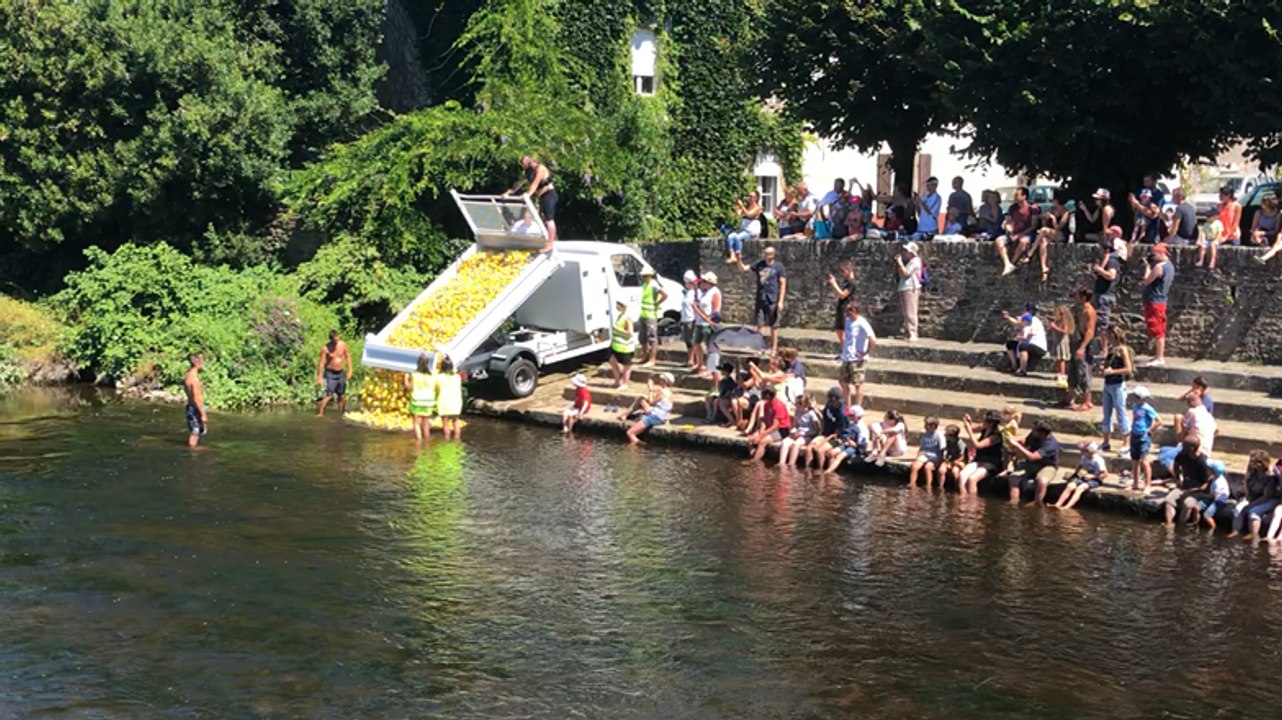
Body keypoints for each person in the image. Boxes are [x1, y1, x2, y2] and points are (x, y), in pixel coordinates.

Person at [736, 246, 787, 353]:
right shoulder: (759, 264)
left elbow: (783, 283)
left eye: (767, 254)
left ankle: (773, 348)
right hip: (761, 298)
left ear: (772, 255)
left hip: (772, 298)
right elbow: (743, 269)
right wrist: (738, 260)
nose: (765, 256)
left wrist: (781, 301)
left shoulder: (779, 267)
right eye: (764, 254)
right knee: (759, 324)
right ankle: (759, 346)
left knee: (774, 326)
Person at [505, 155, 558, 253]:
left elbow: (535, 184)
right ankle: (543, 240)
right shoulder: (528, 171)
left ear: (530, 161)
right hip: (541, 196)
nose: (524, 165)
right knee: (538, 217)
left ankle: (550, 243)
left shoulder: (540, 168)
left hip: (549, 194)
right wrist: (509, 192)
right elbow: (518, 183)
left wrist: (527, 195)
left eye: (524, 163)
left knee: (549, 219)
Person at [1228, 451, 1280, 540]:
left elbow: (1266, 497)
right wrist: (1248, 499)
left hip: (1269, 499)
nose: (1252, 464)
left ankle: (1253, 534)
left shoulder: (1271, 476)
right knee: (1238, 509)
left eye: (1255, 462)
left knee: (1254, 511)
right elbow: (1247, 485)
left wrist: (1251, 505)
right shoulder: (1252, 472)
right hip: (1254, 497)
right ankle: (1236, 530)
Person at [1006, 419, 1060, 505]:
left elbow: (1033, 457)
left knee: (1042, 481)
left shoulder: (1051, 444)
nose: (1032, 431)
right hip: (1031, 465)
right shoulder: (1034, 435)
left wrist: (1016, 445)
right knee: (1013, 477)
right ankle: (1014, 500)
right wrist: (1014, 439)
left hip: (1047, 466)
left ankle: (1036, 502)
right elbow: (1025, 440)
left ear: (1042, 433)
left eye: (1034, 430)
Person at [1098, 325, 1133, 454]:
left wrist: (1112, 371)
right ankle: (1106, 442)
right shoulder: (1112, 349)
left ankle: (1126, 443)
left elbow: (1128, 369)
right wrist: (1103, 368)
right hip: (1108, 385)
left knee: (1121, 413)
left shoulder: (1122, 350)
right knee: (1106, 414)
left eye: (1107, 335)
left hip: (1118, 385)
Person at [1163, 435, 1212, 526]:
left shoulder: (1203, 462)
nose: (1182, 447)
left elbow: (1206, 483)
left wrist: (1191, 491)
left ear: (1192, 448)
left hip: (1198, 491)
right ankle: (1169, 525)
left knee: (1187, 504)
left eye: (1184, 446)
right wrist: (1177, 478)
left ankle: (1180, 526)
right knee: (1169, 500)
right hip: (1184, 486)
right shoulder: (1183, 455)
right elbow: (1176, 464)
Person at [1140, 244, 1174, 367]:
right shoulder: (1170, 266)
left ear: (1160, 253)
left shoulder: (1159, 267)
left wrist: (1147, 267)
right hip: (1161, 300)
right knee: (1159, 326)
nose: (1152, 256)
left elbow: (1146, 280)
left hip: (1154, 301)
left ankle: (1159, 357)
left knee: (1157, 328)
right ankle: (1157, 356)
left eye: (1154, 254)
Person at [838, 301, 876, 408]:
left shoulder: (862, 323)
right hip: (846, 357)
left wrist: (866, 352)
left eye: (850, 311)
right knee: (843, 382)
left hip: (857, 359)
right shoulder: (847, 321)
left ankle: (857, 408)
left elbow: (872, 340)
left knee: (858, 384)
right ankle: (848, 406)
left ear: (856, 311)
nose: (847, 313)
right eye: (847, 311)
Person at [620, 373, 674, 445]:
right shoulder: (669, 392)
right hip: (662, 417)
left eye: (661, 380)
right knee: (641, 398)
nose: (660, 381)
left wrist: (650, 388)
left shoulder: (662, 392)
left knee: (630, 433)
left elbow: (651, 402)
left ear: (665, 381)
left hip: (654, 416)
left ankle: (637, 448)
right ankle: (624, 415)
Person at [957, 411, 1004, 495]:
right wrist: (968, 422)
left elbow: (977, 445)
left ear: (991, 423)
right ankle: (963, 499)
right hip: (979, 459)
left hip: (991, 463)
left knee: (972, 479)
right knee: (962, 475)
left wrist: (969, 431)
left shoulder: (996, 436)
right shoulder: (984, 428)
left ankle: (972, 502)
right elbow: (971, 428)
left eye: (986, 421)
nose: (983, 422)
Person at [1090, 235, 1122, 355]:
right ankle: (1102, 348)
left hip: (1105, 295)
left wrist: (1100, 270)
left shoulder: (1112, 261)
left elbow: (1111, 275)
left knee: (1103, 323)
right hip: (1101, 294)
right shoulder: (1106, 259)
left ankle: (1104, 349)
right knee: (1099, 322)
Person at [1055, 441, 1109, 510]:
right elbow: (1079, 465)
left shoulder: (1098, 460)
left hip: (1095, 479)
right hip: (1085, 477)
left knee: (1080, 488)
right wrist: (1076, 473)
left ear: (1090, 451)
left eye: (1083, 451)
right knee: (1070, 486)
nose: (1081, 453)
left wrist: (1093, 476)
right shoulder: (1084, 457)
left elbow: (1105, 474)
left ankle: (1067, 507)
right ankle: (1057, 504)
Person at [1068, 288, 1097, 411]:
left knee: (1084, 371)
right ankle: (1069, 398)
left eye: (1077, 296)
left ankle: (1087, 401)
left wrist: (1082, 347)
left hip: (1085, 344)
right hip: (1077, 342)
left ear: (1083, 298)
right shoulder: (1081, 310)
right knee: (1073, 370)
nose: (1075, 298)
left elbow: (1090, 332)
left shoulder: (1089, 311)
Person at [805, 387, 848, 469]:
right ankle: (807, 470)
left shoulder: (842, 413)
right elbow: (823, 419)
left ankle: (820, 471)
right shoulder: (829, 405)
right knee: (809, 448)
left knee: (820, 451)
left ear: (834, 398)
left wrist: (824, 441)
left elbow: (837, 434)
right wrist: (815, 408)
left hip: (838, 439)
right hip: (826, 434)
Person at [1127, 385, 1160, 491]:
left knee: (1144, 461)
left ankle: (1147, 485)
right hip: (1134, 434)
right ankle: (1135, 483)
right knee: (1135, 460)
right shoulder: (1135, 406)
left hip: (1143, 436)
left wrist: (1149, 430)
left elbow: (1158, 421)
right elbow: (1135, 419)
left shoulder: (1148, 408)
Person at [996, 187, 1036, 276]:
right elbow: (1008, 221)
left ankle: (1013, 263)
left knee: (1023, 241)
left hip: (1026, 233)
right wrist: (1008, 229)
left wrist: (1020, 234)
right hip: (1013, 233)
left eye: (1017, 195)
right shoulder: (1013, 208)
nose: (1015, 197)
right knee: (999, 240)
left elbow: (1033, 226)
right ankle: (1007, 263)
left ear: (1024, 196)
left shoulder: (1032, 208)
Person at [747, 386, 791, 461]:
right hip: (770, 428)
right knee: (750, 439)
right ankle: (753, 455)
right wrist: (760, 432)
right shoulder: (766, 404)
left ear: (768, 395)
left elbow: (776, 426)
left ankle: (755, 461)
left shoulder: (778, 405)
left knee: (763, 442)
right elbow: (764, 420)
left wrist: (762, 435)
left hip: (782, 430)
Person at [316, 330, 353, 417]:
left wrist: (350, 370)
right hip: (330, 373)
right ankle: (320, 413)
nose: (337, 341)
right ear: (331, 339)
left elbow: (348, 357)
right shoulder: (325, 348)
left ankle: (341, 413)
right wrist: (319, 377)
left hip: (340, 373)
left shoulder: (342, 344)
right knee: (329, 395)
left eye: (337, 338)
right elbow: (321, 363)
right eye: (335, 340)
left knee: (342, 395)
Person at [1001, 306, 1047, 376]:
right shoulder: (1026, 319)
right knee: (1010, 344)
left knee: (1023, 346)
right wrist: (1008, 317)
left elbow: (1030, 333)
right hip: (1029, 344)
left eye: (1023, 310)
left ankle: (1023, 369)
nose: (1021, 312)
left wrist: (1021, 337)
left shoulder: (1034, 321)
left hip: (1038, 346)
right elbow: (1017, 323)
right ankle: (1014, 366)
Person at [1184, 460, 1230, 530]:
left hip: (1219, 499)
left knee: (1207, 515)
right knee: (1196, 507)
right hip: (1213, 496)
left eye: (1209, 468)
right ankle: (1195, 524)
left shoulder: (1218, 483)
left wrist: (1204, 496)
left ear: (1213, 471)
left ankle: (1213, 528)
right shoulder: (1214, 477)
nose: (1207, 469)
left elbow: (1214, 496)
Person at [824, 405, 869, 474]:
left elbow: (863, 445)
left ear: (858, 417)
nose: (848, 417)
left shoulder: (862, 429)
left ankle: (827, 472)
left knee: (840, 456)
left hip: (855, 447)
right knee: (831, 453)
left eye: (851, 415)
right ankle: (831, 470)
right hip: (846, 444)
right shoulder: (851, 424)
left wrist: (854, 444)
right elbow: (846, 436)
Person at [779, 393, 821, 466]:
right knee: (785, 442)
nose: (796, 407)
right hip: (798, 433)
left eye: (797, 405)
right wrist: (793, 431)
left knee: (796, 444)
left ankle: (791, 463)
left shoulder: (811, 414)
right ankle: (781, 463)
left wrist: (804, 434)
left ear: (803, 405)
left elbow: (816, 430)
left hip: (807, 435)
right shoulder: (797, 412)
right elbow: (795, 426)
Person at [636, 266, 667, 367]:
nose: (643, 277)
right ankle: (645, 357)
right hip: (643, 314)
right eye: (643, 276)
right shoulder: (645, 285)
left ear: (650, 276)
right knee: (642, 338)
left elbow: (665, 294)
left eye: (645, 276)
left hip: (651, 315)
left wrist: (657, 303)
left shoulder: (654, 285)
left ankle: (652, 359)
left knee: (652, 338)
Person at [406, 354, 438, 442]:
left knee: (416, 422)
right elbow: (435, 387)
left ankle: (419, 441)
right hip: (429, 402)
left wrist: (405, 378)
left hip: (417, 401)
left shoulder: (415, 375)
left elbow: (409, 387)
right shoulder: (432, 376)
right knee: (425, 423)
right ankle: (427, 441)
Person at [1175, 389, 1218, 455]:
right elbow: (1217, 431)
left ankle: (1178, 446)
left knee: (1178, 417)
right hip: (1207, 452)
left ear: (1190, 403)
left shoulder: (1192, 411)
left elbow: (1185, 431)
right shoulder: (1210, 417)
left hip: (1193, 450)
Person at [725, 191, 763, 263]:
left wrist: (742, 206)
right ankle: (732, 255)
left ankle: (738, 256)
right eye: (749, 196)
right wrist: (737, 205)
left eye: (751, 196)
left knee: (738, 237)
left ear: (756, 198)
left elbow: (749, 215)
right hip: (743, 229)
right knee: (730, 236)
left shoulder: (758, 208)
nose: (749, 198)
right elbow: (738, 214)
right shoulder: (746, 207)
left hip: (751, 231)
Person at [895, 242, 922, 341]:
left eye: (907, 251)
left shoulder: (915, 261)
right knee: (906, 312)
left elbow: (905, 273)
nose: (905, 253)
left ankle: (913, 333)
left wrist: (899, 262)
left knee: (911, 311)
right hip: (905, 287)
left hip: (911, 287)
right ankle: (908, 331)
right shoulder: (911, 261)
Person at [909, 416, 946, 487]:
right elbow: (921, 449)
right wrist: (916, 458)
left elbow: (942, 450)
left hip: (935, 456)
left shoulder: (939, 436)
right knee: (914, 466)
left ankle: (928, 485)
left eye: (926, 425)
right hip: (925, 455)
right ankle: (912, 483)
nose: (924, 427)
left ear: (933, 426)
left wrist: (940, 462)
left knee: (928, 467)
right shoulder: (925, 435)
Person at [435, 355, 465, 441]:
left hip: (444, 402)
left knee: (445, 422)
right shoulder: (457, 377)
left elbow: (436, 388)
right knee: (456, 421)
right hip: (456, 402)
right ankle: (457, 439)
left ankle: (447, 439)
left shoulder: (439, 378)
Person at [827, 260, 856, 347]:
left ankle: (847, 352)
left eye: (843, 271)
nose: (842, 273)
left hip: (846, 308)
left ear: (849, 270)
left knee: (843, 331)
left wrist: (834, 283)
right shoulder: (846, 282)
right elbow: (839, 294)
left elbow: (843, 295)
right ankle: (844, 351)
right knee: (839, 330)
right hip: (841, 306)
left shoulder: (851, 283)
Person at [1046, 304, 1075, 389]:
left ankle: (1062, 373)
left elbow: (1065, 331)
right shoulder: (1057, 321)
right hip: (1057, 341)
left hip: (1062, 341)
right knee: (1058, 358)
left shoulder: (1064, 321)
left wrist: (1055, 327)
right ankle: (1059, 372)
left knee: (1062, 358)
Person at [609, 300, 635, 389]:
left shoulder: (627, 318)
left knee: (626, 366)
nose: (617, 306)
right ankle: (617, 381)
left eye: (619, 305)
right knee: (612, 362)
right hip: (615, 345)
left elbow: (630, 333)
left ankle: (625, 383)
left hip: (625, 347)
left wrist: (617, 329)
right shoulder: (619, 316)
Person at [183, 354, 207, 449]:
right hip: (196, 408)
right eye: (202, 361)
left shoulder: (188, 375)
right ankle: (193, 451)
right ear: (197, 363)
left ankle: (193, 449)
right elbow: (197, 398)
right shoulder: (195, 380)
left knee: (196, 431)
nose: (203, 363)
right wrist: (202, 413)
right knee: (195, 432)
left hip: (190, 406)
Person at [1252, 196, 1282, 265]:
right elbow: (1280, 233)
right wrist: (1277, 241)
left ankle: (1263, 258)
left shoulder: (1278, 214)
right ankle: (1263, 258)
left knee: (1276, 247)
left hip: (1269, 233)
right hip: (1261, 234)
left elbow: (1276, 230)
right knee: (1277, 246)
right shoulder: (1258, 212)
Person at [680, 270, 699, 369]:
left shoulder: (695, 294)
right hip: (685, 319)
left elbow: (696, 307)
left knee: (691, 340)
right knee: (688, 340)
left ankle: (693, 360)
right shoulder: (687, 293)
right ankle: (690, 359)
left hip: (691, 320)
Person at [940, 424, 966, 490]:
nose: (944, 435)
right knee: (941, 470)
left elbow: (962, 457)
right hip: (951, 460)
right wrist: (946, 461)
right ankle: (941, 487)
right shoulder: (948, 442)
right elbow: (947, 453)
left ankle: (957, 487)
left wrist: (953, 463)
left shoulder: (960, 444)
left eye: (946, 434)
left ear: (952, 436)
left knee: (955, 471)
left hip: (960, 461)